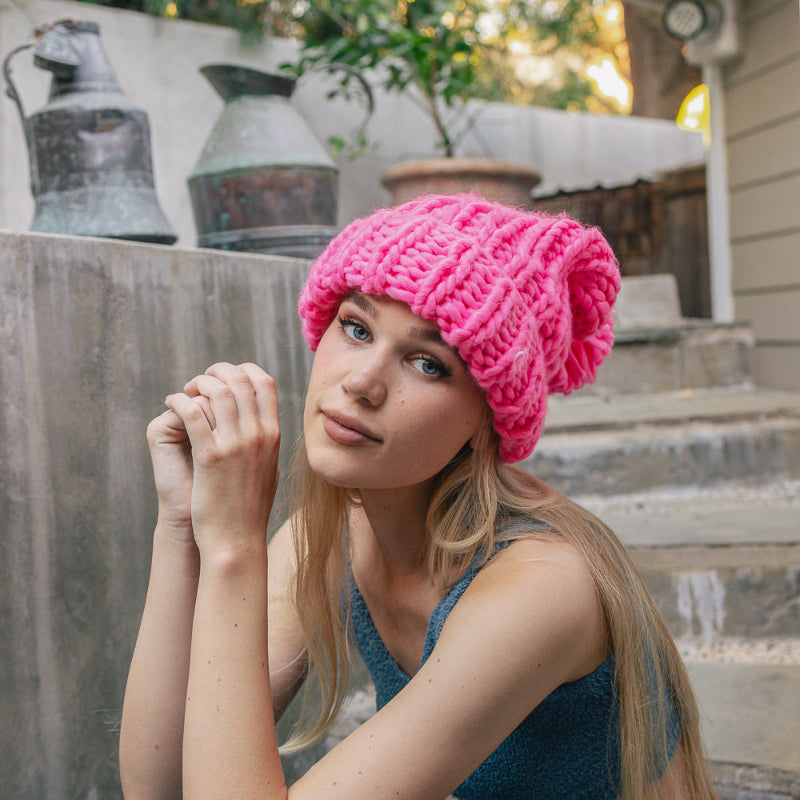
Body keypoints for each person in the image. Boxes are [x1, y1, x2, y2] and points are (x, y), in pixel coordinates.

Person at [119, 193, 719, 800]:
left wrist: (234, 547)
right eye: (356, 328)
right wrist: (180, 527)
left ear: (487, 422)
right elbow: (157, 787)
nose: (361, 382)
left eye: (427, 363)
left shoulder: (539, 587)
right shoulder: (331, 534)